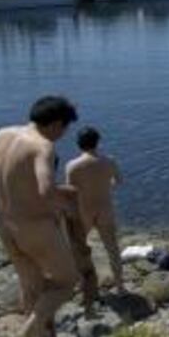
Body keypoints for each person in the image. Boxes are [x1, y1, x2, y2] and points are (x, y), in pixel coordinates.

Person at [0, 95, 80, 337]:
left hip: (6, 223)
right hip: (34, 226)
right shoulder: (42, 146)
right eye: (65, 128)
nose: (63, 134)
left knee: (32, 284)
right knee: (67, 283)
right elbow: (46, 190)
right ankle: (28, 333)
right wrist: (69, 205)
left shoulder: (1, 135)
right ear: (57, 123)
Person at [64, 126, 125, 306]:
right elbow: (119, 181)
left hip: (84, 211)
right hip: (105, 208)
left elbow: (70, 192)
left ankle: (87, 287)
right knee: (112, 249)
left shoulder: (73, 165)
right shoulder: (110, 161)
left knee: (79, 250)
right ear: (97, 142)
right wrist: (105, 186)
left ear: (79, 144)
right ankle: (120, 287)